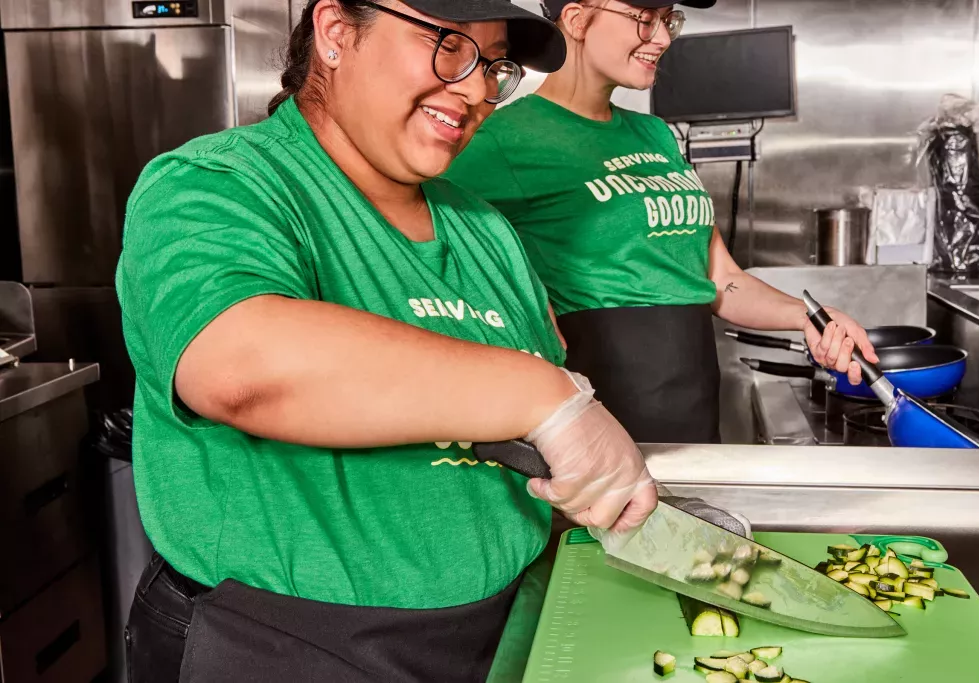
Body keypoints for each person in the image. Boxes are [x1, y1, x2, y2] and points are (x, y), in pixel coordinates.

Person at [115, 1, 657, 681]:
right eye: (450, 46)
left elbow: (523, 445)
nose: (479, 88)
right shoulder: (219, 183)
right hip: (287, 649)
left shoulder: (484, 229)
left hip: (496, 637)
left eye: (495, 66)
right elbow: (240, 363)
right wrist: (544, 395)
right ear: (337, 33)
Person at [445, 0, 879, 444]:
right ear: (576, 20)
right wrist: (529, 312)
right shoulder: (501, 139)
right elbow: (434, 260)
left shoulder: (655, 134)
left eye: (668, 20)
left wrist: (809, 318)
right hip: (601, 401)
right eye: (645, 19)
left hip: (692, 394)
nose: (664, 38)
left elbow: (719, 279)